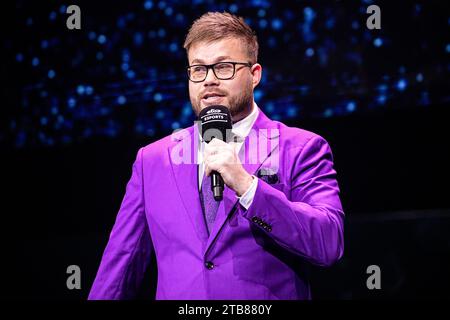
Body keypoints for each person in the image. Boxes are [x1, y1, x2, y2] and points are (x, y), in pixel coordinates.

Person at [88, 12, 344, 300]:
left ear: (255, 74)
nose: (209, 80)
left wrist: (249, 187)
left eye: (223, 67)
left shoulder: (301, 148)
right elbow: (121, 263)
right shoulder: (152, 160)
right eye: (198, 69)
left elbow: (328, 242)